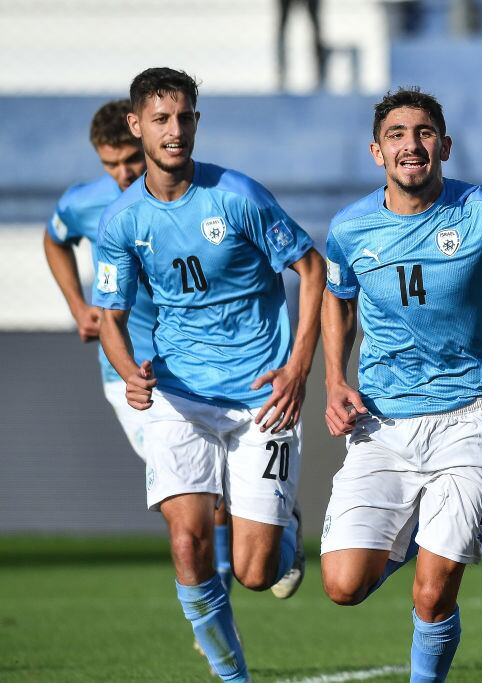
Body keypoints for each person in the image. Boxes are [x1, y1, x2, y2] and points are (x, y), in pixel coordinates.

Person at [94, 67, 325, 682]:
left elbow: (311, 267)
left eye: (186, 118)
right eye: (163, 119)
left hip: (260, 399)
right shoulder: (121, 222)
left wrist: (299, 365)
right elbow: (111, 317)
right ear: (136, 125)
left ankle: (287, 529)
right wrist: (128, 372)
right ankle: (233, 679)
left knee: (254, 572)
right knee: (187, 544)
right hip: (178, 394)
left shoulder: (237, 197)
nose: (176, 131)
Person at [318, 87, 482, 682]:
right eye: (397, 135)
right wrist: (334, 380)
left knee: (433, 592)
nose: (411, 145)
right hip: (381, 424)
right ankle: (420, 539)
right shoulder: (350, 229)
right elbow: (337, 298)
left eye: (424, 133)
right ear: (377, 152)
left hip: (467, 420)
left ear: (444, 145)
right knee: (343, 587)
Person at [42, 100, 237, 599]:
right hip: (127, 372)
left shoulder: (189, 198)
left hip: (196, 361)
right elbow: (54, 238)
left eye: (130, 158)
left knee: (213, 484)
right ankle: (216, 585)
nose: (124, 172)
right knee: (187, 491)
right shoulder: (88, 204)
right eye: (111, 164)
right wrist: (76, 304)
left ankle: (233, 565)